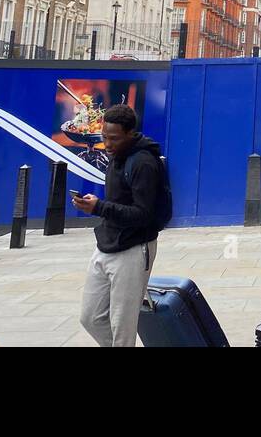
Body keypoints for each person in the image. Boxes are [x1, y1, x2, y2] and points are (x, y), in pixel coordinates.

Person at [73, 103, 162, 347]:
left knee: (122, 326)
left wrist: (99, 207)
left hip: (133, 249)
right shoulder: (116, 157)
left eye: (114, 139)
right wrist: (97, 207)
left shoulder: (143, 163)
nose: (107, 144)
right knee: (90, 317)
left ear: (130, 134)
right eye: (104, 137)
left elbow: (143, 214)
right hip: (106, 243)